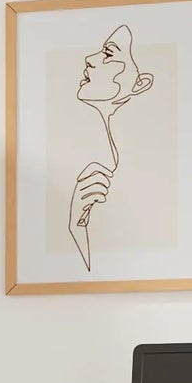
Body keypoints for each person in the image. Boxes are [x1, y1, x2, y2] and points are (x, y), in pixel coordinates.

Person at [69, 23, 154, 269]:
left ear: (140, 83)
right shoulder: (106, 160)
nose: (89, 59)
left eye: (108, 54)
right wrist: (76, 225)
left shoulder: (132, 171)